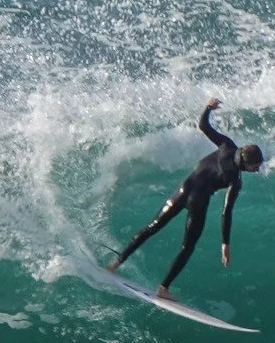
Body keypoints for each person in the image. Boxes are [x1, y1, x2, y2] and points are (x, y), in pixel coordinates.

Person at [109, 99, 263, 297]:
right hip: (198, 202)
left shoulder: (227, 145)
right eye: (255, 166)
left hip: (183, 190)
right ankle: (163, 289)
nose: (257, 169)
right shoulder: (235, 180)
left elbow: (203, 126)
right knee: (187, 246)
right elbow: (226, 212)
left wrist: (208, 107)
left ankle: (115, 263)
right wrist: (225, 243)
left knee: (152, 227)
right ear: (246, 163)